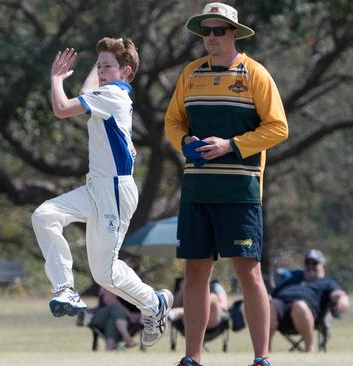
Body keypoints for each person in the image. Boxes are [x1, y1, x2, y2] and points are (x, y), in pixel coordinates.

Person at [163, 3, 289, 366]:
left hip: (240, 191)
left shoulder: (255, 74)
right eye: (207, 31)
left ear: (236, 33)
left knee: (247, 271)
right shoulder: (190, 73)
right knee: (195, 272)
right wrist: (184, 142)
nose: (212, 37)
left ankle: (261, 358)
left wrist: (231, 145)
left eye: (220, 30)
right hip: (197, 190)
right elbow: (173, 122)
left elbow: (278, 127)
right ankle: (193, 358)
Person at [31, 37, 173, 348]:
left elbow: (61, 108)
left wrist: (56, 78)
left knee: (105, 275)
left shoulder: (114, 95)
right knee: (44, 216)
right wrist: (99, 59)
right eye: (99, 67)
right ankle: (65, 289)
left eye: (107, 67)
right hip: (96, 186)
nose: (102, 71)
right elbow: (84, 94)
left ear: (126, 70)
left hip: (114, 192)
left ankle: (154, 302)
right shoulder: (106, 94)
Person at [269, 249, 349, 352]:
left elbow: (337, 293)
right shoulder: (293, 278)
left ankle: (309, 348)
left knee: (299, 305)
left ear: (323, 266)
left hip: (306, 314)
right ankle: (265, 352)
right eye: (307, 262)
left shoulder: (327, 282)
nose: (310, 266)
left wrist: (343, 297)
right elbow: (271, 295)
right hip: (280, 313)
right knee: (268, 305)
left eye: (314, 263)